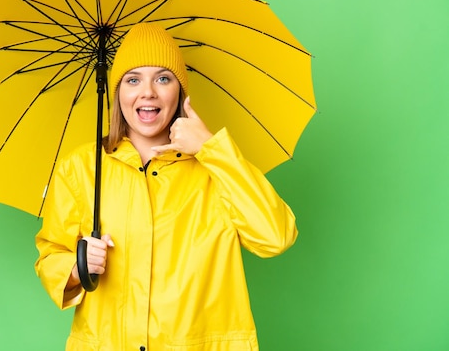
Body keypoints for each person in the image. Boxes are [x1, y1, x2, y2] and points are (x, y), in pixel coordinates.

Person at [35, 22, 298, 350]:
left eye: (163, 78)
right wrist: (78, 267)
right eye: (133, 80)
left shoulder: (215, 166)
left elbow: (276, 236)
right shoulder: (82, 168)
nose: (148, 92)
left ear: (179, 92)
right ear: (118, 93)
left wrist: (211, 149)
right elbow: (51, 255)